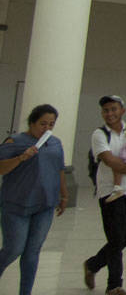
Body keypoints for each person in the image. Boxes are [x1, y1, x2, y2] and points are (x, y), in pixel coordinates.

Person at [0, 104, 67, 295]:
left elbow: (59, 169)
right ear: (32, 122)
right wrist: (21, 158)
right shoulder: (15, 141)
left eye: (51, 125)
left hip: (44, 205)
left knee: (32, 252)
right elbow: (1, 168)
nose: (46, 129)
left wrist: (64, 194)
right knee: (14, 248)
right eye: (42, 124)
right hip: (16, 205)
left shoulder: (55, 143)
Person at [84, 95, 126, 295]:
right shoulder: (99, 134)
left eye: (113, 109)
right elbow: (109, 160)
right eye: (106, 110)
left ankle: (93, 264)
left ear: (122, 111)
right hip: (110, 192)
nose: (109, 114)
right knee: (116, 238)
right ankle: (114, 285)